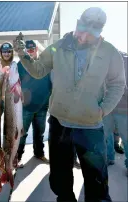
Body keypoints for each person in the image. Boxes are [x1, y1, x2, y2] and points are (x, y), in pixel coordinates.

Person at [13, 7, 126, 202]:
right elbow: (39, 70)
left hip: (90, 127)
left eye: (91, 32)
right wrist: (23, 54)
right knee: (60, 179)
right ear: (77, 23)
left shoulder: (109, 52)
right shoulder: (58, 47)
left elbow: (118, 83)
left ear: (100, 31)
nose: (84, 36)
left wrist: (103, 109)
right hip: (60, 125)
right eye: (82, 28)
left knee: (97, 183)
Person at [16, 40, 51, 167]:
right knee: (22, 134)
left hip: (42, 106)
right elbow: (16, 83)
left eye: (32, 49)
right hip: (26, 106)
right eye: (28, 50)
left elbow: (50, 82)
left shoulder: (44, 64)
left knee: (39, 132)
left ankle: (39, 153)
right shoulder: (21, 64)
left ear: (37, 49)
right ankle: (17, 157)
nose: (30, 52)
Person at [103, 51, 127, 174]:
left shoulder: (124, 63)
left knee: (125, 137)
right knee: (107, 135)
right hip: (108, 108)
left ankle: (113, 159)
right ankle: (109, 158)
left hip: (123, 109)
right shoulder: (104, 63)